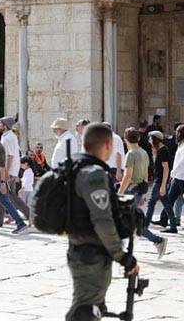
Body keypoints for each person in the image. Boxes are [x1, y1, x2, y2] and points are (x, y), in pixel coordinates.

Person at [66, 122, 139, 320]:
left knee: (92, 307)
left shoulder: (79, 168)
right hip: (92, 253)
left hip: (82, 249)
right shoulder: (95, 175)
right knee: (85, 310)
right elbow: (102, 220)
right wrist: (121, 256)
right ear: (107, 144)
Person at [118, 128, 167, 258]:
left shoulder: (131, 154)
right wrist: (144, 193)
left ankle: (157, 240)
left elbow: (127, 176)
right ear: (139, 139)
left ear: (125, 139)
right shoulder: (143, 152)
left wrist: (120, 193)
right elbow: (146, 173)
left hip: (130, 191)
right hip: (139, 189)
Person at [158, 124, 184, 229]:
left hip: (183, 177)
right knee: (169, 199)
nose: (176, 135)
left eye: (177, 133)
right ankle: (163, 219)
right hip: (178, 177)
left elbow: (182, 162)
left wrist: (173, 173)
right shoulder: (183, 145)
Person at [145, 131, 177, 233]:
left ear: (155, 139)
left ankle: (145, 224)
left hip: (159, 182)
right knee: (166, 204)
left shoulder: (163, 151)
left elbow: (166, 169)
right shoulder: (158, 150)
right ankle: (173, 226)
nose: (149, 140)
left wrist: (163, 185)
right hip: (158, 180)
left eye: (150, 138)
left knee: (151, 203)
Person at [19, 156, 34, 225]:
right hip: (29, 189)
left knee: (25, 204)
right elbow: (26, 180)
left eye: (21, 163)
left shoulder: (28, 171)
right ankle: (28, 218)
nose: (20, 165)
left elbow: (27, 181)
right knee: (27, 204)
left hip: (26, 190)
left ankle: (27, 217)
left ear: (26, 163)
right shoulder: (28, 171)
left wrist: (22, 189)